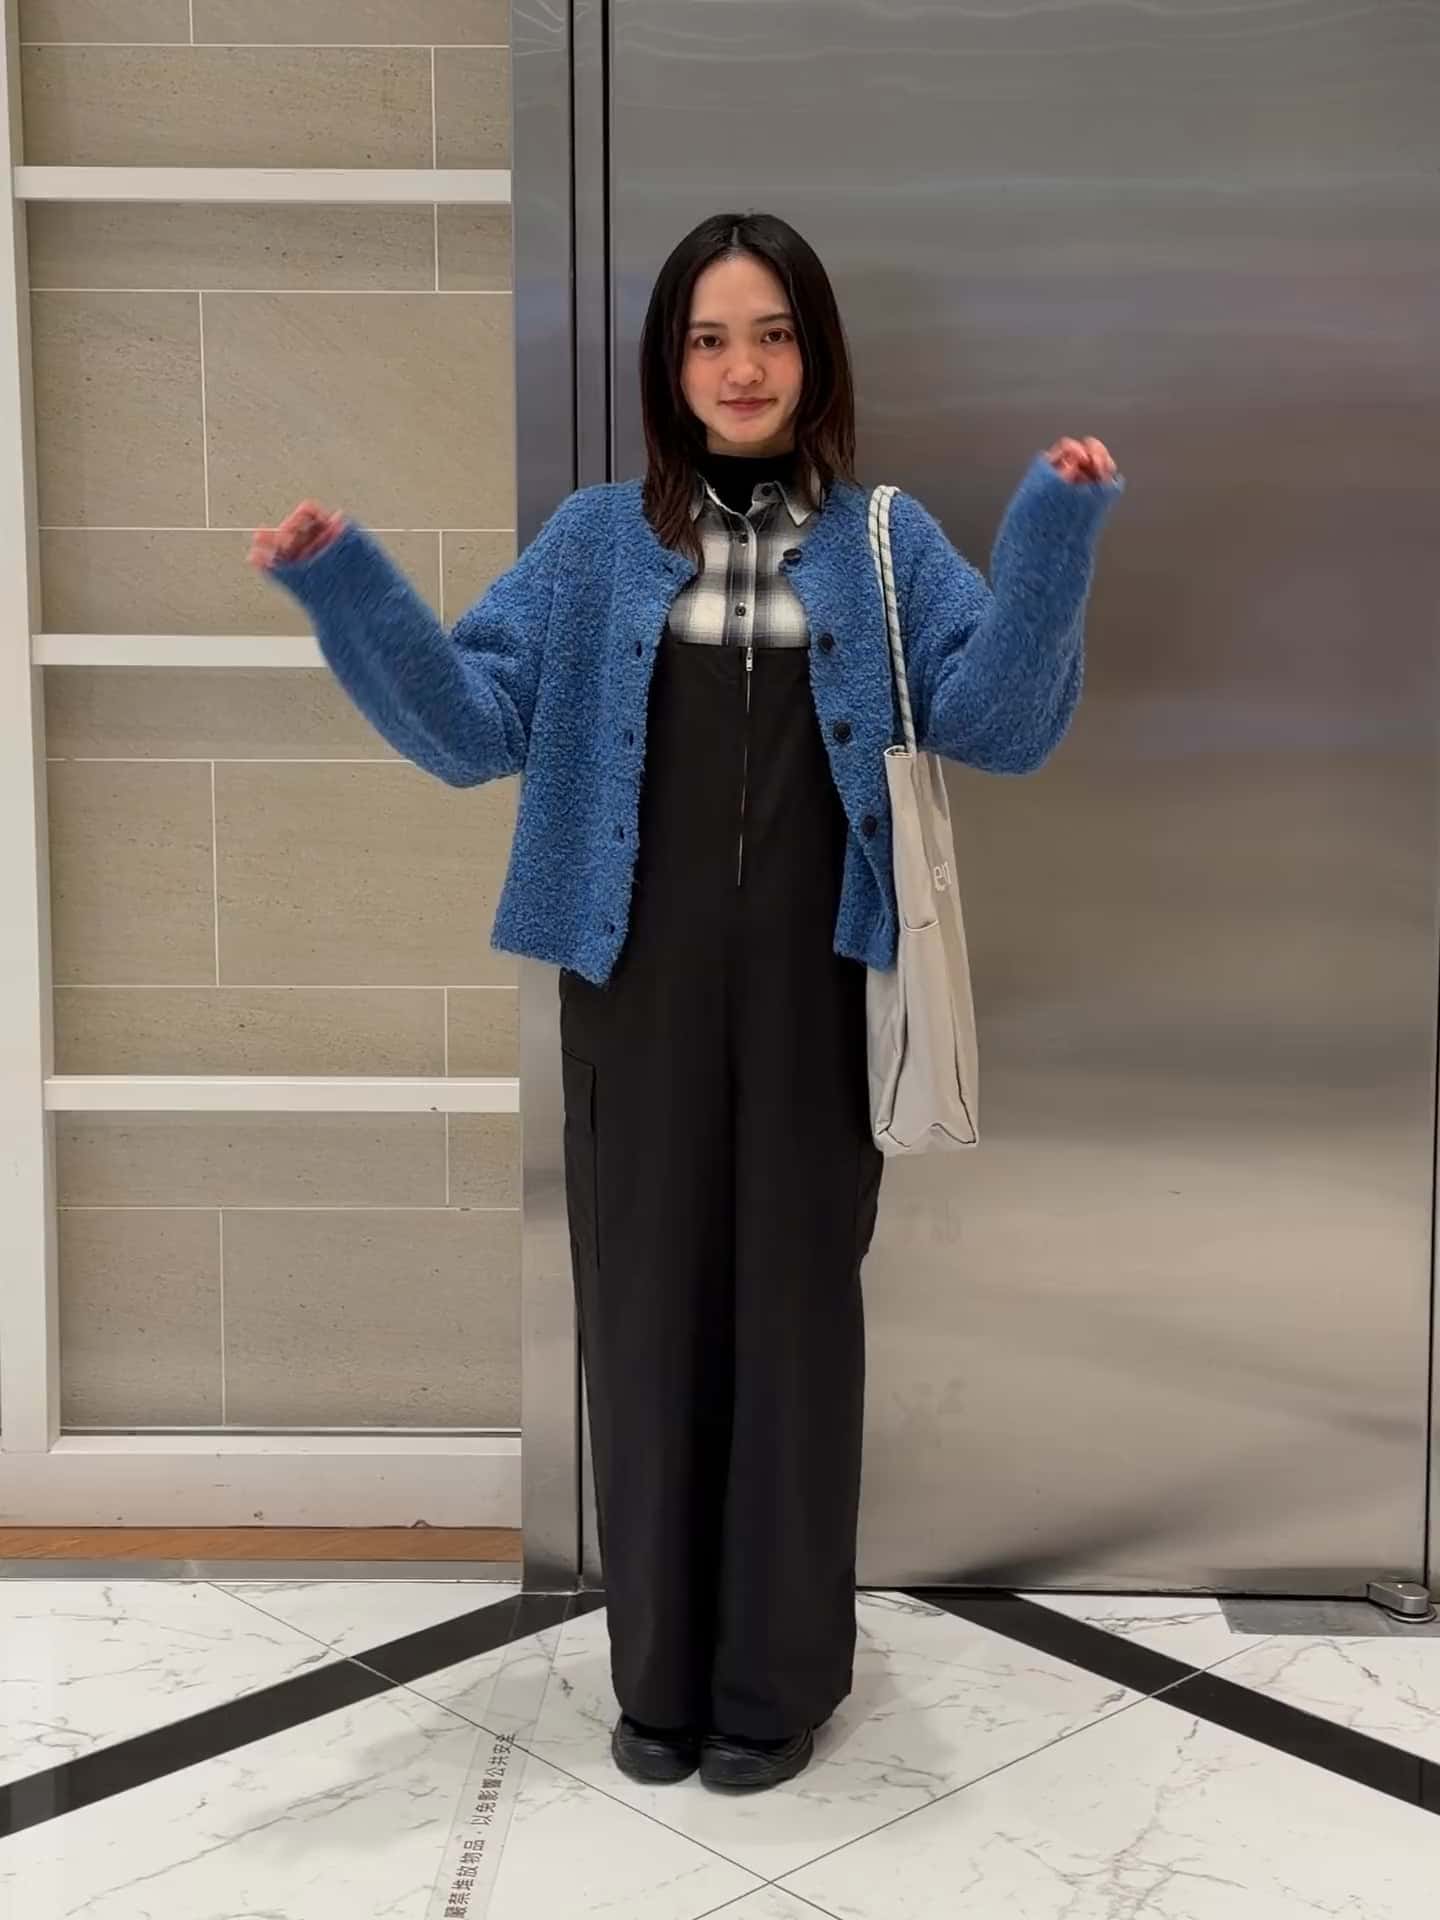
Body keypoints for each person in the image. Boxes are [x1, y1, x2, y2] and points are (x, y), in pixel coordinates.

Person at [251, 210, 1122, 1795]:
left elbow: (1000, 723)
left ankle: (772, 1684)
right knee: (645, 1326)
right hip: (631, 994)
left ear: (816, 355)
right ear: (669, 365)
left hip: (820, 994)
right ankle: (658, 1679)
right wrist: (347, 589)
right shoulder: (595, 543)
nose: (742, 366)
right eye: (710, 338)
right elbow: (469, 729)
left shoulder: (885, 541)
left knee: (795, 1330)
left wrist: (1054, 536)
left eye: (772, 333)